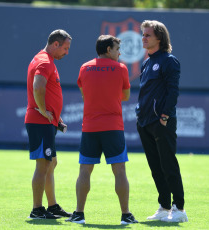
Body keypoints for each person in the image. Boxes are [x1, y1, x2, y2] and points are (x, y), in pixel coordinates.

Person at [65, 35, 138, 225]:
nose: (119, 52)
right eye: (116, 49)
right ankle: (126, 215)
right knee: (120, 171)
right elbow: (126, 96)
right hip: (113, 127)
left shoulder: (84, 67)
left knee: (84, 171)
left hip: (90, 127)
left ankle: (79, 214)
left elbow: (85, 95)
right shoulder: (121, 68)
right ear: (108, 50)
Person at [135, 20, 188, 223]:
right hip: (145, 122)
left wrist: (165, 115)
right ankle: (165, 207)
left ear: (159, 37)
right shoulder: (147, 62)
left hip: (162, 121)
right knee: (155, 167)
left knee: (168, 165)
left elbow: (173, 91)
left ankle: (179, 209)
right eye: (143, 34)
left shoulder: (169, 61)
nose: (144, 38)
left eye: (148, 35)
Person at [25, 29, 72, 219]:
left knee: (51, 163)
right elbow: (38, 86)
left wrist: (56, 119)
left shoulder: (44, 59)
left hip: (46, 122)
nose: (67, 52)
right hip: (40, 122)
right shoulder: (45, 61)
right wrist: (44, 111)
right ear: (55, 44)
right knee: (43, 165)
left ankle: (52, 206)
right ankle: (37, 209)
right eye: (65, 48)